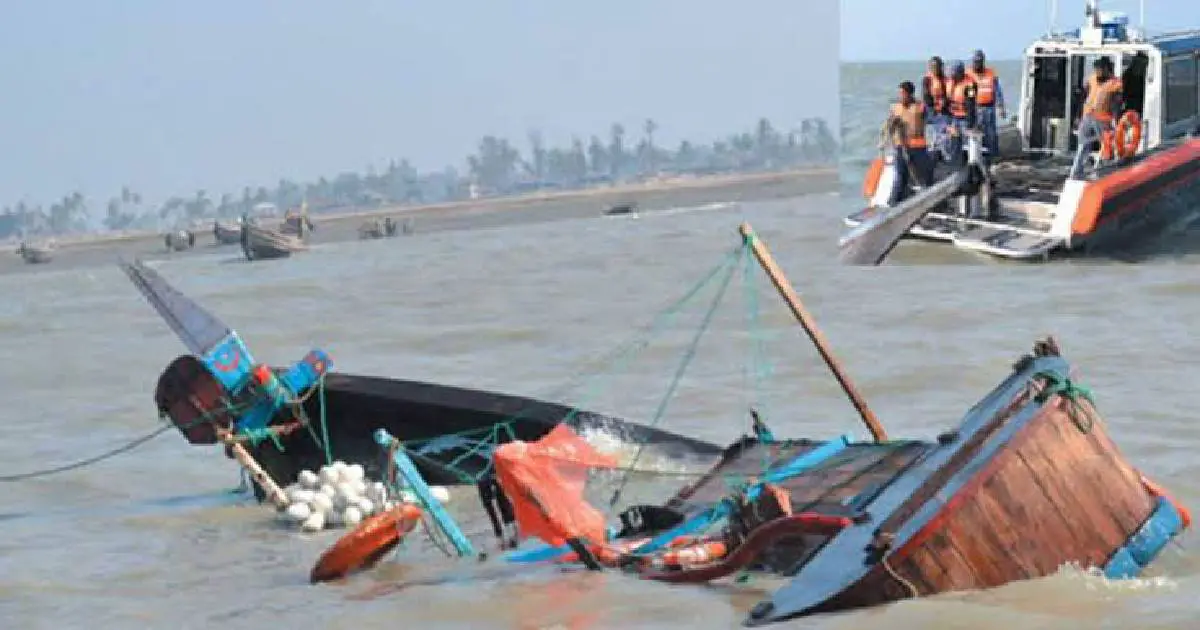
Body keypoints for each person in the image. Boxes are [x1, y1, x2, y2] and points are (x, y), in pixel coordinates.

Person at [883, 81, 934, 204]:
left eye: (903, 94)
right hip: (901, 147)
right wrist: (885, 141)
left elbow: (932, 120)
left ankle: (930, 201)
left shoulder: (920, 107)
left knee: (926, 176)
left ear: (910, 94)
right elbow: (888, 127)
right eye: (900, 93)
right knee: (900, 176)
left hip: (919, 147)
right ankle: (892, 203)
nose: (901, 96)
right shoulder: (895, 108)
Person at [1079, 57, 1124, 159]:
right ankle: (1082, 165)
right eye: (1096, 69)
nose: (1097, 72)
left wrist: (1116, 121)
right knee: (1083, 141)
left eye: (1100, 70)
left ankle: (1108, 160)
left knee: (1105, 143)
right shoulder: (1092, 79)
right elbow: (1084, 94)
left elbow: (1117, 104)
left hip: (1103, 118)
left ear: (1106, 69)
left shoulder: (1116, 83)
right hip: (1087, 115)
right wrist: (1078, 116)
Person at [966, 50, 1006, 157]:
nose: (977, 64)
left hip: (989, 108)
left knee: (991, 133)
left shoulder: (990, 73)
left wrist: (1001, 106)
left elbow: (998, 91)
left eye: (979, 62)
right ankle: (977, 155)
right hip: (975, 107)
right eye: (975, 62)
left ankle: (993, 155)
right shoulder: (968, 74)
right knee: (976, 133)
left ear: (983, 62)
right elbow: (967, 93)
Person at [945, 61, 979, 165]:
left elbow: (971, 104)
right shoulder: (951, 82)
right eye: (951, 74)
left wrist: (970, 124)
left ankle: (971, 165)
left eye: (954, 74)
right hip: (954, 117)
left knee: (968, 143)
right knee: (954, 142)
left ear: (960, 72)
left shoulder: (970, 85)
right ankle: (955, 163)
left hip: (965, 118)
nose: (952, 76)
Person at [921, 56, 952, 161]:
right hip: (931, 111)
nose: (935, 69)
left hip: (944, 111)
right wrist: (933, 107)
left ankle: (946, 156)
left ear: (941, 67)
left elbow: (949, 94)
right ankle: (930, 155)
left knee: (944, 135)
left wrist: (945, 103)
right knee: (931, 135)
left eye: (937, 66)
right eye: (932, 66)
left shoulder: (946, 80)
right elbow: (926, 96)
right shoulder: (927, 79)